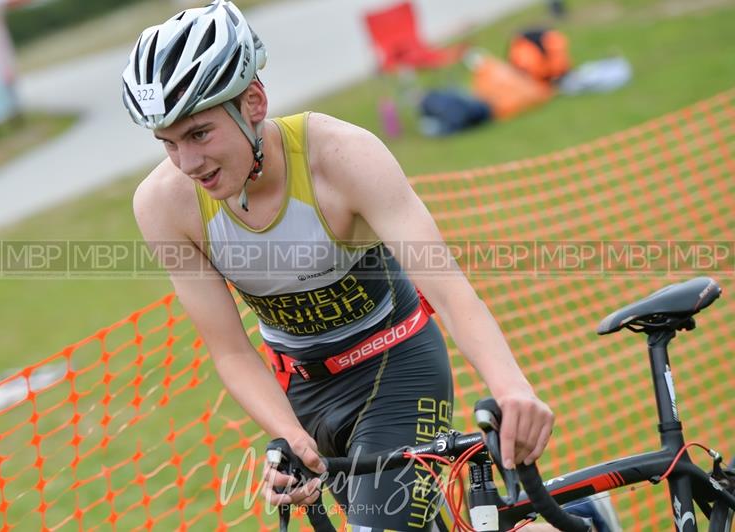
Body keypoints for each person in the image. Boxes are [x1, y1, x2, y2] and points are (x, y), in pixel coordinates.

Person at [123, 1, 555, 530]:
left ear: (253, 101)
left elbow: (450, 292)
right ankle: (565, 520)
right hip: (302, 392)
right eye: (167, 143)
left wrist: (512, 387)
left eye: (199, 134)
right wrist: (291, 437)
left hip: (396, 365)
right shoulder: (163, 204)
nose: (188, 164)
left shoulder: (342, 157)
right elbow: (231, 352)